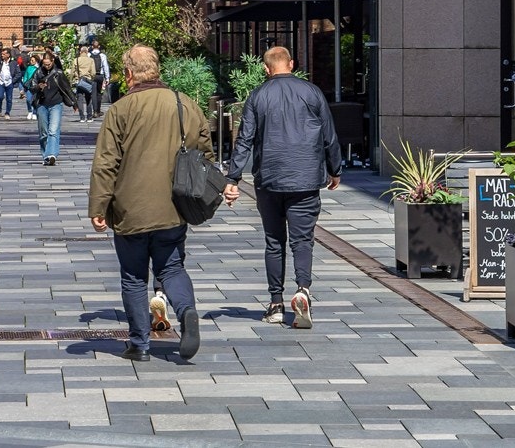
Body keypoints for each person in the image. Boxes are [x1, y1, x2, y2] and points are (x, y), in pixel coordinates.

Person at [88, 44, 209, 362]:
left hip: (131, 209)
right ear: (158, 69)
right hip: (173, 207)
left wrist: (98, 207)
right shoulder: (184, 103)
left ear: (128, 74)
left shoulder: (120, 109)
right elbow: (204, 149)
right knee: (172, 267)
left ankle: (139, 343)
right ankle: (186, 312)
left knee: (133, 275)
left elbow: (106, 163)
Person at [223, 46, 343, 328]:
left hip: (270, 180)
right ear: (292, 63)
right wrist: (334, 169)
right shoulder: (312, 92)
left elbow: (245, 139)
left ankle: (276, 303)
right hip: (305, 178)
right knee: (303, 241)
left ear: (266, 69)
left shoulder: (258, 96)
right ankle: (303, 290)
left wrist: (233, 178)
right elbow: (329, 134)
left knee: (274, 242)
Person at [31, 49, 73, 165]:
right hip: (41, 104)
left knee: (53, 130)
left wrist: (74, 103)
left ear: (53, 61)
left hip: (56, 104)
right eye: (45, 64)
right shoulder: (38, 72)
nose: (47, 66)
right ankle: (45, 156)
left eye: (48, 64)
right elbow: (31, 86)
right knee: (43, 132)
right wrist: (38, 87)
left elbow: (67, 88)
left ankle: (52, 154)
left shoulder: (58, 73)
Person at [73, 44, 98, 122]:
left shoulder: (76, 60)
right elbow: (93, 72)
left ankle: (82, 117)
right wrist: (91, 77)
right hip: (88, 80)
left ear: (80, 52)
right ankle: (89, 117)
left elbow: (72, 72)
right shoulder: (91, 60)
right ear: (87, 52)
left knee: (79, 99)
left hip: (80, 80)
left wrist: (75, 78)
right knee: (88, 98)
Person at [90, 39, 111, 119]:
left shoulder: (89, 55)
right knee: (99, 93)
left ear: (92, 46)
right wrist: (107, 78)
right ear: (99, 46)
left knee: (93, 94)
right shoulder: (103, 56)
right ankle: (98, 110)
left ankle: (94, 111)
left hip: (92, 76)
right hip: (100, 76)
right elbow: (106, 67)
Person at [22, 53, 40, 120]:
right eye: (31, 60)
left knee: (35, 100)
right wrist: (25, 82)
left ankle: (35, 112)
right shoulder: (29, 67)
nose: (31, 62)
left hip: (36, 87)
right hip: (29, 86)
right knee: (28, 99)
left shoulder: (39, 68)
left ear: (36, 61)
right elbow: (26, 76)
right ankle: (30, 111)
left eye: (33, 60)